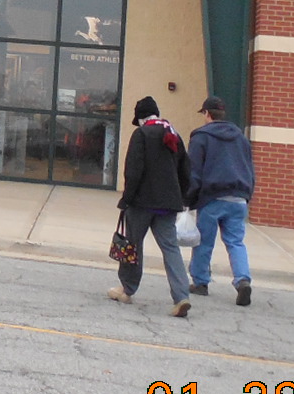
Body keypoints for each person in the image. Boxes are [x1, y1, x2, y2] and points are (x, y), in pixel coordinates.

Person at [109, 96, 193, 317]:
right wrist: (183, 198)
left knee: (133, 245)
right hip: (169, 203)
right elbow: (186, 170)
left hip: (142, 202)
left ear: (141, 118)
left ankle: (127, 289)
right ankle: (181, 296)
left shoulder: (142, 134)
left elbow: (133, 170)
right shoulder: (173, 133)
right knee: (170, 248)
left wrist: (126, 199)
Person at [186, 96, 255, 306]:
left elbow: (193, 171)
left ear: (207, 113)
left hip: (212, 197)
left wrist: (189, 198)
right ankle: (242, 280)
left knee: (204, 241)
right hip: (238, 197)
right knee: (236, 242)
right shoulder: (241, 138)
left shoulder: (201, 137)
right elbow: (250, 169)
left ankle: (200, 282)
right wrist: (247, 194)